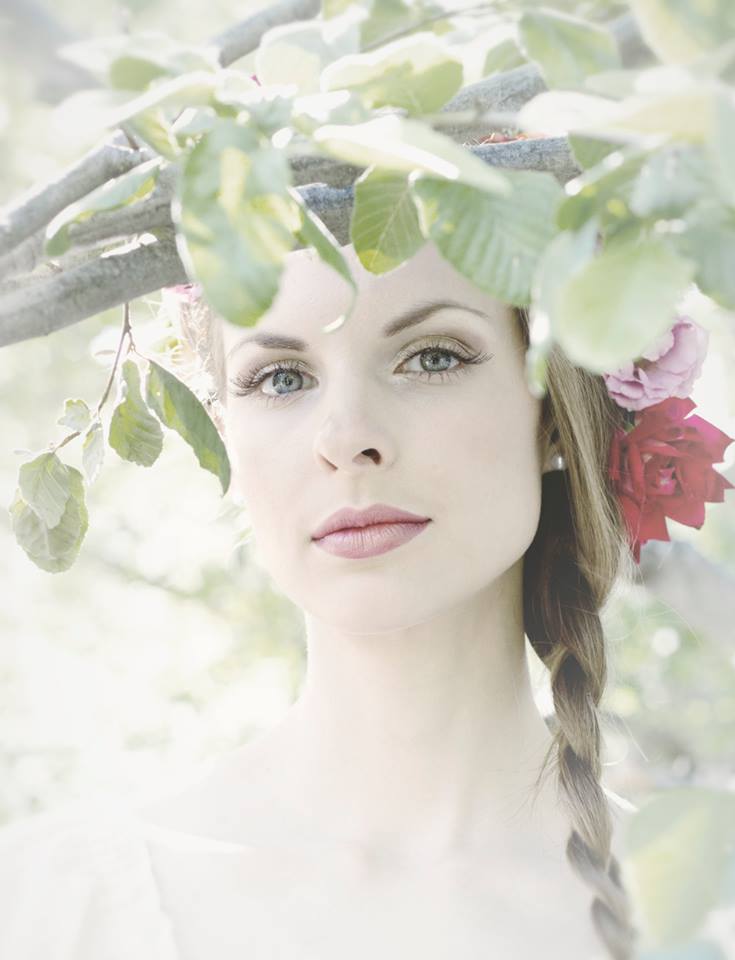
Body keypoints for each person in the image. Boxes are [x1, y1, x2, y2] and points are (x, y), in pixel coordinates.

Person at [0, 239, 640, 960]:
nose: (345, 438)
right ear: (224, 430)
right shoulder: (44, 907)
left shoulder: (704, 911)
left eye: (432, 357)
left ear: (553, 408)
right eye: (279, 378)